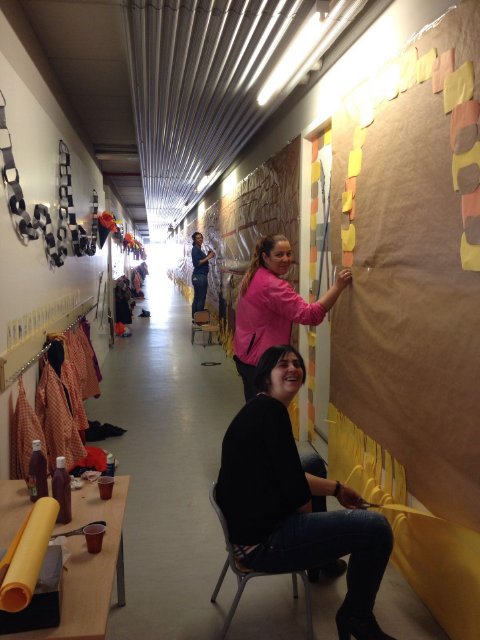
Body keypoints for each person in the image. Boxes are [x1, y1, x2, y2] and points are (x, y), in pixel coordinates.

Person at [216, 346, 396, 640]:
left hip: (249, 526)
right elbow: (298, 497)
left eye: (296, 363)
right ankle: (357, 617)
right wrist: (314, 534)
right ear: (266, 376)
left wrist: (338, 489)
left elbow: (290, 474)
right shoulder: (272, 416)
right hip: (261, 545)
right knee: (376, 528)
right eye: (282, 364)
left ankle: (321, 565)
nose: (293, 368)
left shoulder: (260, 407)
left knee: (312, 462)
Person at [233, 233, 352, 401]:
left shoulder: (255, 275)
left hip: (246, 357)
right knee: (269, 412)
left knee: (256, 409)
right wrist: (338, 286)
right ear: (265, 257)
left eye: (289, 253)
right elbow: (311, 315)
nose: (286, 259)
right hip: (262, 363)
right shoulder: (273, 286)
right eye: (279, 254)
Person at [191, 231, 215, 319]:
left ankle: (195, 319)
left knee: (197, 298)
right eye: (197, 238)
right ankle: (199, 320)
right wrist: (208, 257)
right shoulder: (195, 249)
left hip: (196, 277)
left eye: (201, 237)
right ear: (194, 240)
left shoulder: (197, 249)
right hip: (200, 276)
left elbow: (201, 260)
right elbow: (196, 263)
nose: (200, 239)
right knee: (201, 298)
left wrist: (207, 256)